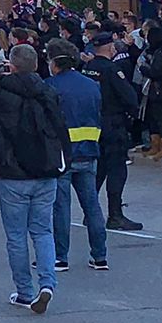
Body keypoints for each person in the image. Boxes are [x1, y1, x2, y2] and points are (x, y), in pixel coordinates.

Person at [0, 44, 67, 314]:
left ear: (12, 65)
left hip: (12, 171)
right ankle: (47, 283)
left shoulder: (3, 94)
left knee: (16, 235)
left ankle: (24, 291)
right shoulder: (48, 91)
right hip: (45, 170)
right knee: (43, 231)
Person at [45, 42, 108, 273]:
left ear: (53, 62)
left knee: (61, 208)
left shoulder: (50, 86)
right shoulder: (92, 85)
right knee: (91, 205)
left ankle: (60, 257)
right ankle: (100, 256)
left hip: (62, 155)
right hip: (89, 151)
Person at [80, 36, 142, 231]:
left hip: (92, 124)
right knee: (116, 169)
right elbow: (129, 97)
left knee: (98, 170)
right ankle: (115, 214)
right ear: (109, 47)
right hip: (113, 124)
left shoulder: (88, 69)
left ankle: (90, 213)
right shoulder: (112, 69)